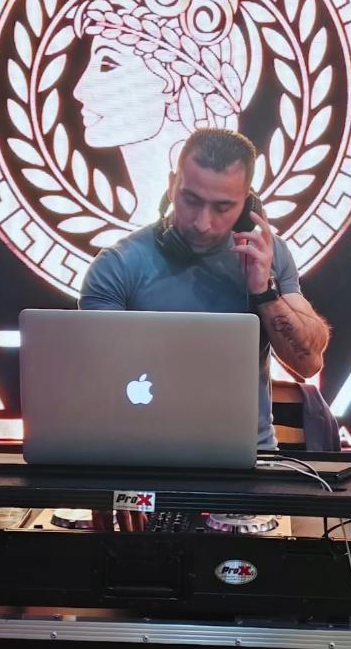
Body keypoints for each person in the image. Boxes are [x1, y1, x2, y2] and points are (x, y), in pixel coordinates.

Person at [79, 127, 330, 529]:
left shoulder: (269, 256)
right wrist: (111, 473)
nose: (202, 222)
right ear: (172, 184)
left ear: (248, 205)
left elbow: (308, 362)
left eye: (223, 207)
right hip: (140, 466)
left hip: (247, 463)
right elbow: (92, 385)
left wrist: (263, 291)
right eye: (191, 199)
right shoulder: (118, 265)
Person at [72, 0, 259, 227]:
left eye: (108, 64)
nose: (78, 90)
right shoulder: (122, 251)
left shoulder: (259, 249)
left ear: (171, 81)